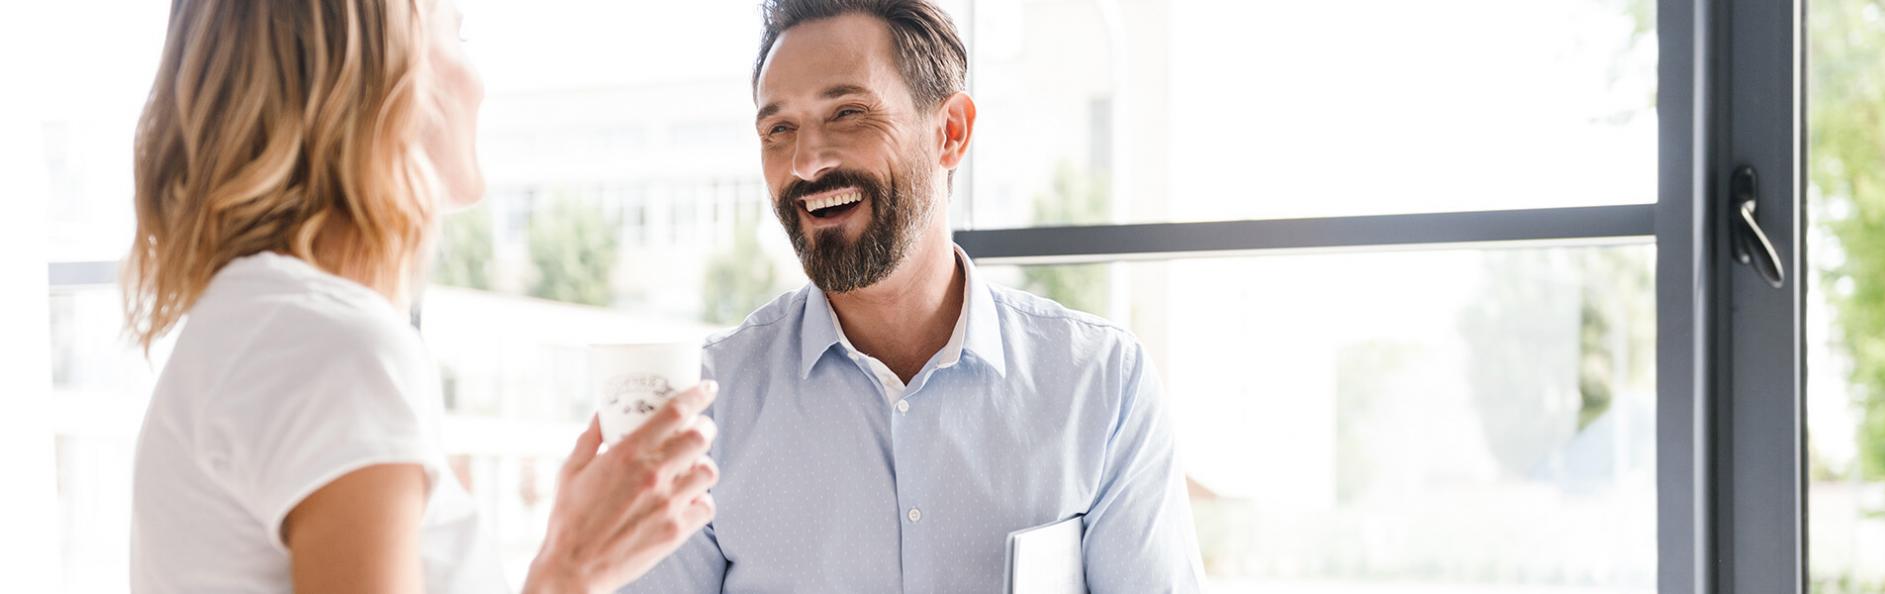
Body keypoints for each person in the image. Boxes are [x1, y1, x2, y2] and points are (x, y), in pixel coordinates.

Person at [124, 1, 719, 592]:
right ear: (377, 78)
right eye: (458, 34)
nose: (479, 83)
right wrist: (571, 571)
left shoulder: (255, 324)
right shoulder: (337, 349)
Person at [621, 0, 1203, 591]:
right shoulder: (702, 412)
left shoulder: (1101, 384)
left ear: (950, 132)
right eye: (779, 129)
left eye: (848, 113)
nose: (806, 162)